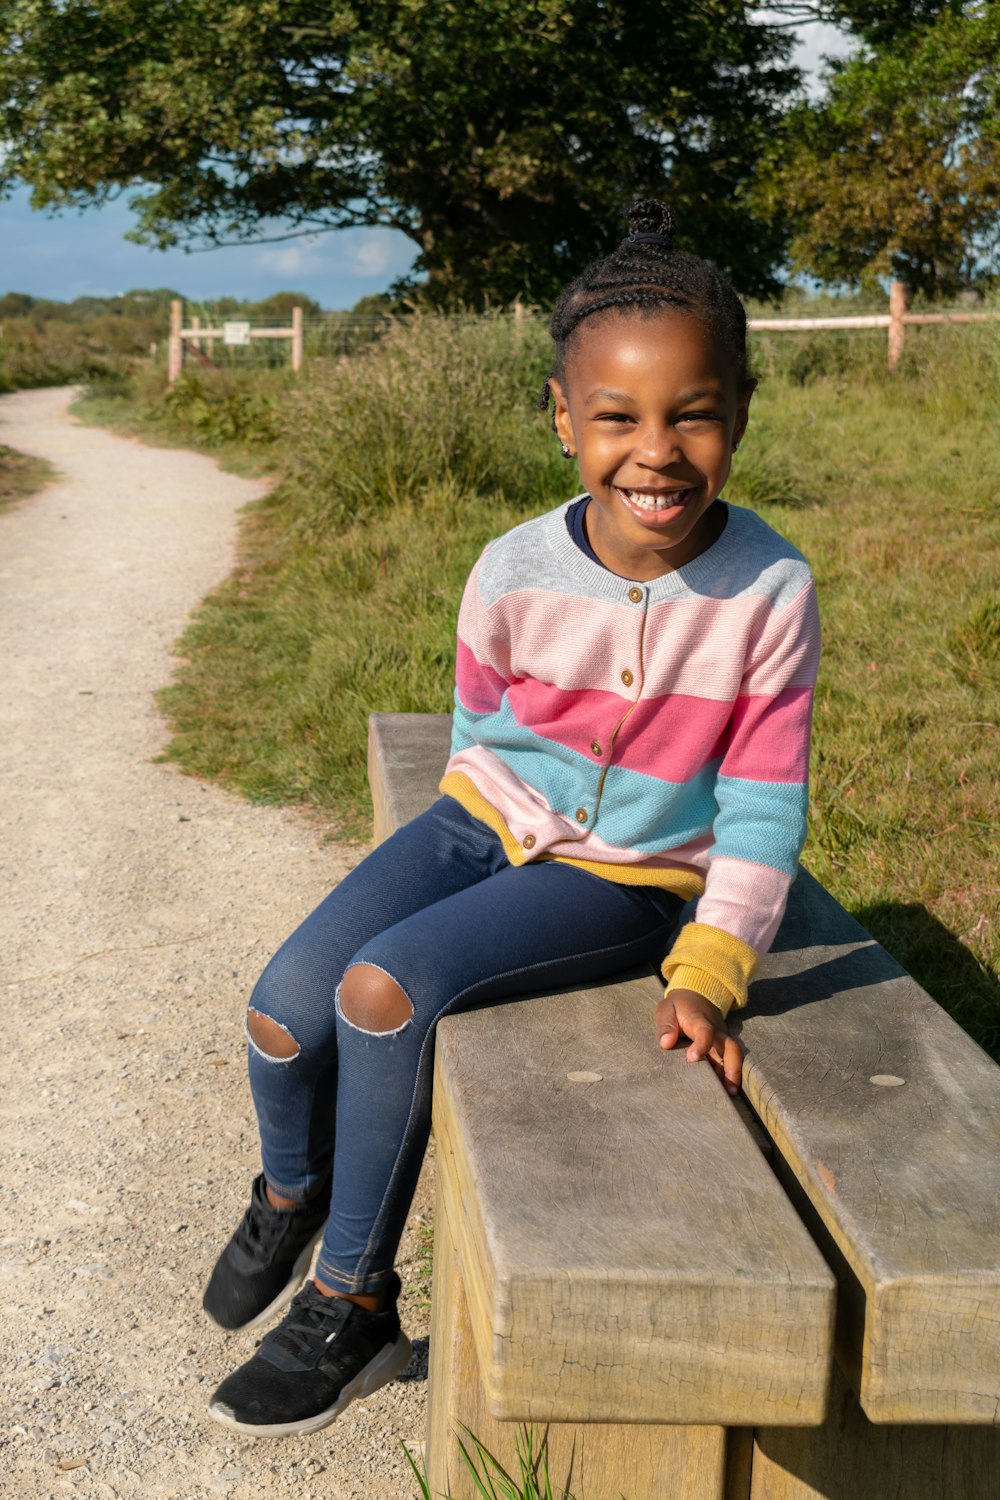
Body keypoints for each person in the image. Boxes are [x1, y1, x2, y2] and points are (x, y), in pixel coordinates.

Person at [202, 198, 820, 1438]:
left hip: (625, 874)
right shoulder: (511, 566)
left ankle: (352, 1297)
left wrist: (708, 965)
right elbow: (481, 724)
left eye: (693, 413)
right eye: (618, 418)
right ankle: (292, 1187)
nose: (657, 451)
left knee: (383, 991)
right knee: (283, 1009)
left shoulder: (765, 588)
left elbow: (760, 809)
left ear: (739, 414)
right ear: (562, 421)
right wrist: (470, 846)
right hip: (483, 819)